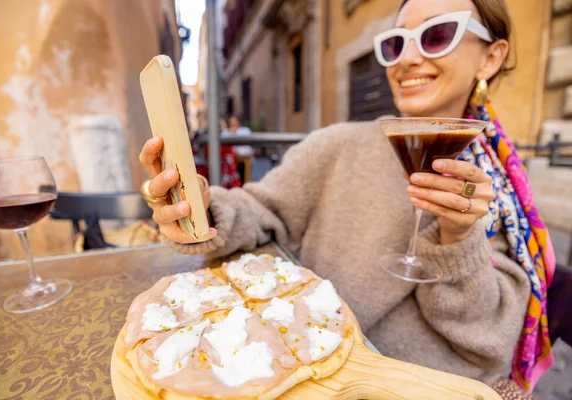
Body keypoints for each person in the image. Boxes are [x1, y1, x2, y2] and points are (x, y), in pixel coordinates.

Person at [138, 0, 556, 398]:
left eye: (437, 35)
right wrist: (198, 208)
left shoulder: (502, 184)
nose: (406, 59)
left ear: (491, 57)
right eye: (396, 43)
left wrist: (458, 235)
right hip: (327, 379)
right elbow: (257, 209)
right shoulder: (336, 147)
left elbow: (489, 343)